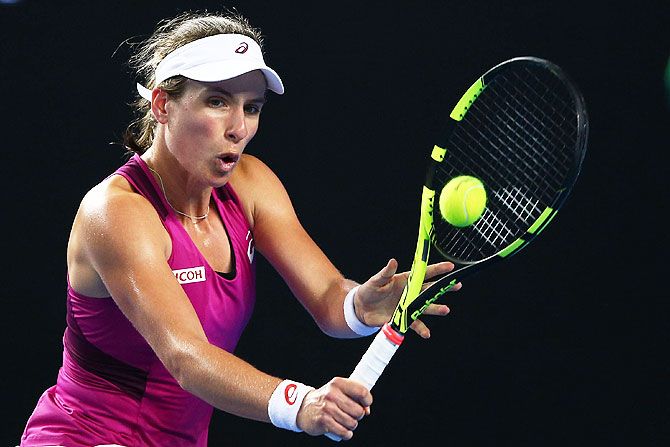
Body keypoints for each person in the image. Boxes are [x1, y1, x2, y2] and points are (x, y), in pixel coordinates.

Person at [20, 10, 460, 446]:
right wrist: (301, 404)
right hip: (83, 437)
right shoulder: (116, 212)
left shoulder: (251, 184)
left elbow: (328, 299)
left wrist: (361, 305)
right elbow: (186, 357)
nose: (238, 128)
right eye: (217, 101)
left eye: (251, 108)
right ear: (162, 105)